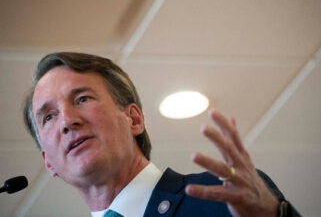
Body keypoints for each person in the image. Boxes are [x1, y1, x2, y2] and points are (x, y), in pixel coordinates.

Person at [23, 52, 300, 217]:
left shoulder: (222, 197)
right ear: (48, 161)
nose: (67, 121)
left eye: (82, 99)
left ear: (133, 119)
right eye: (49, 116)